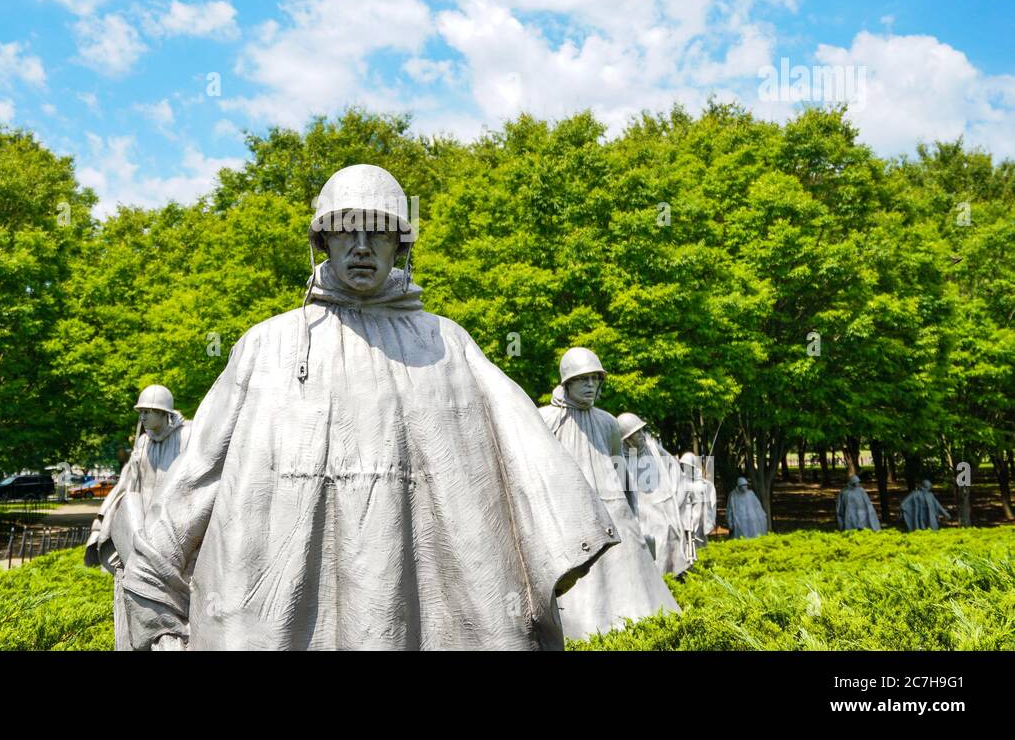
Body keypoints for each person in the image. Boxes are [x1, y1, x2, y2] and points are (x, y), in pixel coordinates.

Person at [122, 164, 619, 650]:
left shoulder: (446, 345)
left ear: (400, 245)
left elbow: (527, 466)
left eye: (378, 233)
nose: (361, 246)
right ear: (323, 241)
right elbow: (199, 474)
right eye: (345, 231)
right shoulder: (266, 346)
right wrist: (157, 591)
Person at [538, 350, 679, 639]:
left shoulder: (607, 422)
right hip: (568, 513)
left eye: (594, 379)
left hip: (613, 510)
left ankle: (641, 629)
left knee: (630, 580)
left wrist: (631, 515)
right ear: (566, 382)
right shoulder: (546, 419)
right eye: (582, 379)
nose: (590, 385)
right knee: (579, 588)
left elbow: (621, 470)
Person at [85, 384, 189, 649]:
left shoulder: (188, 437)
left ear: (162, 413)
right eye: (140, 412)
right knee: (131, 591)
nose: (141, 418)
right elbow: (129, 486)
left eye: (147, 412)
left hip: (174, 530)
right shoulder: (142, 443)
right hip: (141, 528)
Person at [616, 412, 694, 577]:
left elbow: (673, 466)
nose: (642, 435)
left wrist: (678, 494)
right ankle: (659, 583)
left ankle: (679, 578)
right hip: (643, 510)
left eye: (641, 430)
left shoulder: (653, 448)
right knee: (657, 545)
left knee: (675, 540)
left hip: (666, 503)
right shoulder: (622, 458)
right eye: (637, 433)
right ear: (627, 439)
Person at [679, 451, 716, 552]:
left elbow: (702, 508)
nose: (686, 469)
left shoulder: (702, 485)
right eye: (684, 466)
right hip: (683, 521)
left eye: (688, 466)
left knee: (699, 547)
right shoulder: (679, 482)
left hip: (697, 523)